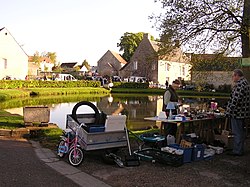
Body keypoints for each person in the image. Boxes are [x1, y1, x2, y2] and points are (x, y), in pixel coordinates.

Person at [226, 69, 250, 156]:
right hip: (243, 112)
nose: (232, 78)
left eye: (233, 76)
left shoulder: (240, 85)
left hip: (237, 113)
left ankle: (237, 151)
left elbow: (235, 101)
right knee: (241, 131)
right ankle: (239, 149)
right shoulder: (246, 83)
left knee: (237, 132)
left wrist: (228, 112)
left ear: (237, 75)